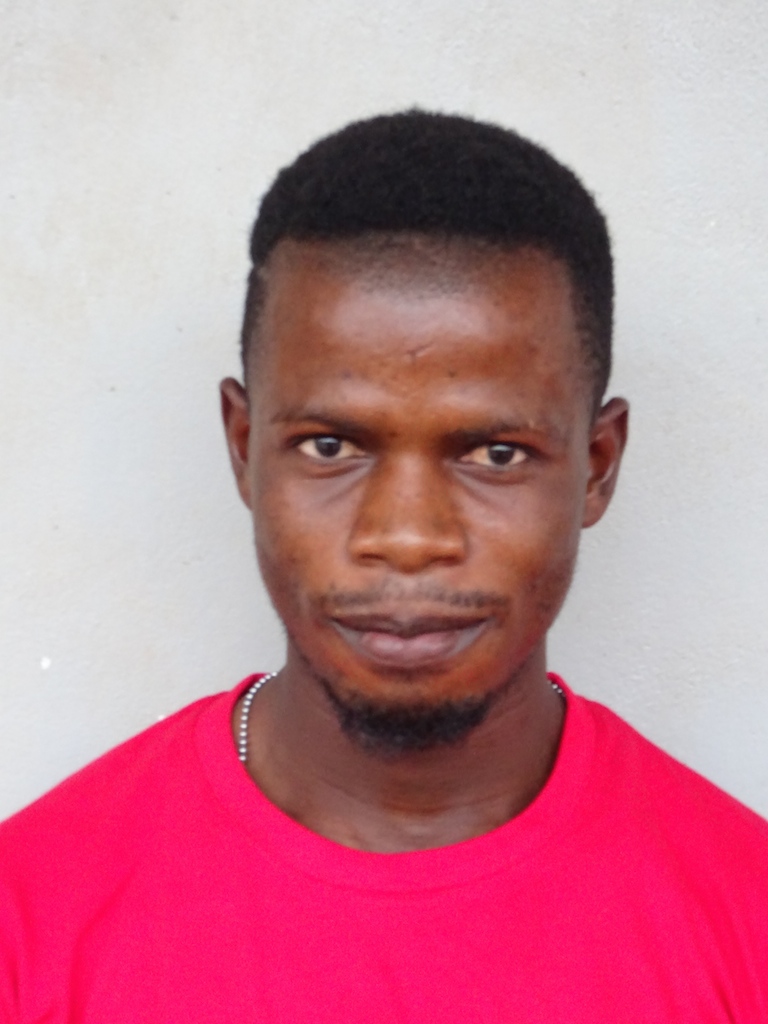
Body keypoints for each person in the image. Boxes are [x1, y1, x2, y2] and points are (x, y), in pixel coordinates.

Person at [1, 110, 767, 1022]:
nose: (406, 537)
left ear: (597, 467)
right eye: (330, 446)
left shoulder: (744, 918)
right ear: (244, 448)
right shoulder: (30, 917)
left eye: (495, 454)